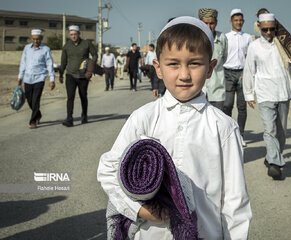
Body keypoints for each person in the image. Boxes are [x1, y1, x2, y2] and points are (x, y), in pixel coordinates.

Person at [97, 16, 251, 239]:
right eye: (173, 64)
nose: (184, 74)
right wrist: (139, 210)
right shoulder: (143, 118)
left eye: (195, 63)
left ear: (210, 68)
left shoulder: (224, 127)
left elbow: (235, 205)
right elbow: (108, 170)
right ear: (158, 68)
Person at [243, 13, 291, 180]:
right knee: (269, 130)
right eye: (265, 29)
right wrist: (249, 94)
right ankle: (274, 164)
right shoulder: (254, 46)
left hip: (283, 91)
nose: (268, 32)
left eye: (271, 29)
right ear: (259, 27)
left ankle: (272, 156)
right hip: (265, 93)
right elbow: (249, 71)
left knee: (281, 132)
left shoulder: (284, 46)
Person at [223, 9, 252, 147]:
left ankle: (240, 135)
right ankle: (228, 133)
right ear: (231, 22)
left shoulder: (248, 37)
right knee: (227, 104)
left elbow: (251, 57)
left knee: (242, 106)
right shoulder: (226, 37)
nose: (238, 22)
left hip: (242, 74)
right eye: (236, 20)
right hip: (228, 73)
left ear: (243, 21)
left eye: (240, 20)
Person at [59, 25, 98, 127]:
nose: (73, 36)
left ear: (79, 34)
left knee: (83, 96)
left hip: (83, 76)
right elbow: (63, 61)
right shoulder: (67, 46)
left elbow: (95, 55)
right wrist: (61, 74)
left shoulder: (86, 43)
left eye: (75, 34)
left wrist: (90, 68)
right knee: (70, 97)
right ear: (69, 35)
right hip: (70, 75)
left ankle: (84, 115)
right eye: (71, 35)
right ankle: (69, 119)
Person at [17, 29, 55, 129]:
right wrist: (20, 76)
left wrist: (52, 79)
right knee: (29, 100)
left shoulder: (46, 49)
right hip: (27, 78)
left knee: (35, 100)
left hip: (40, 78)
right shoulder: (26, 48)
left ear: (41, 39)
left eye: (38, 39)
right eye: (34, 39)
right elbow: (23, 63)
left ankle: (33, 121)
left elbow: (49, 64)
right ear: (31, 38)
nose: (35, 41)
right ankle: (38, 114)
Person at [198, 8, 228, 111]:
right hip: (199, 89)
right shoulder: (195, 39)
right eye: (205, 23)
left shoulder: (222, 38)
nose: (209, 27)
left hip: (217, 90)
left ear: (216, 23)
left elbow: (224, 58)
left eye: (212, 23)